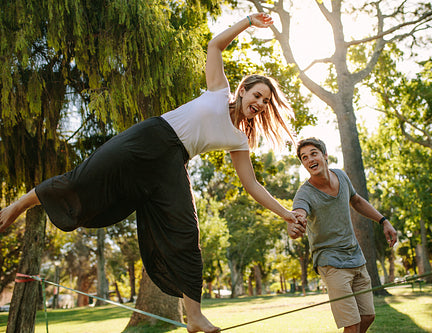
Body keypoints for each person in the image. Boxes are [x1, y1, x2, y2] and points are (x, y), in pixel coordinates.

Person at [0, 13, 306, 333]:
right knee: (82, 179)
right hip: (148, 137)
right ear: (243, 91)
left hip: (172, 164)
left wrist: (285, 213)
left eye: (265, 101)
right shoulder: (219, 91)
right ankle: (17, 206)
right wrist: (248, 22)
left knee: (186, 232)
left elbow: (252, 184)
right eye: (257, 95)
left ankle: (195, 316)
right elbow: (215, 46)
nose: (259, 103)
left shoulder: (239, 140)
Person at [287, 137, 397, 333]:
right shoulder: (304, 193)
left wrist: (383, 221)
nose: (309, 159)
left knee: (367, 316)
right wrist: (296, 224)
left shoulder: (341, 176)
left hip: (355, 257)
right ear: (303, 164)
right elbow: (299, 213)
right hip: (330, 262)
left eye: (313, 153)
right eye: (304, 157)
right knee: (352, 324)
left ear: (325, 155)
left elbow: (356, 200)